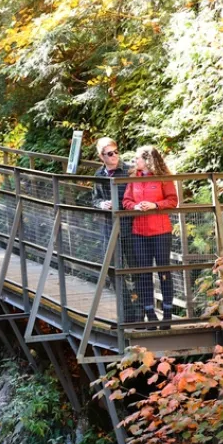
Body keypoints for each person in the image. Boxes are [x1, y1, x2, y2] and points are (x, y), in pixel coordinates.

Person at [122, 145, 178, 326]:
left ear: (147, 160)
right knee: (144, 272)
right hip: (139, 231)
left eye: (137, 158)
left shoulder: (163, 178)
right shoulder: (133, 178)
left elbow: (172, 200)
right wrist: (135, 207)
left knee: (163, 270)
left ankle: (168, 313)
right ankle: (150, 314)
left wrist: (155, 205)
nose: (134, 161)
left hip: (160, 231)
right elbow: (126, 201)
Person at [92, 138, 140, 323]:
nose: (114, 156)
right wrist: (102, 204)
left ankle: (140, 313)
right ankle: (126, 312)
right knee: (112, 269)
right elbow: (94, 199)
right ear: (101, 156)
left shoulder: (129, 171)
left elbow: (138, 194)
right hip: (109, 228)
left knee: (136, 269)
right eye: (109, 153)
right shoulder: (99, 174)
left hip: (130, 226)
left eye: (116, 151)